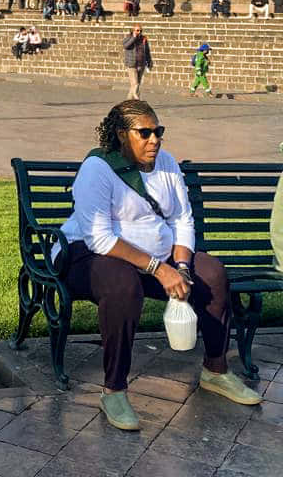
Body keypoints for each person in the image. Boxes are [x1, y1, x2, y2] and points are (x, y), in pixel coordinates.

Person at [55, 99, 261, 431]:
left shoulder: (165, 164)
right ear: (122, 135)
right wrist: (158, 269)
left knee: (211, 273)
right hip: (87, 256)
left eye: (158, 131)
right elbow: (100, 239)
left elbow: (182, 220)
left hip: (155, 257)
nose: (155, 140)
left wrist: (180, 267)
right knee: (122, 285)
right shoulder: (98, 168)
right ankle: (114, 390)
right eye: (145, 133)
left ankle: (216, 370)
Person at [122, 24, 152, 99]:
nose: (139, 32)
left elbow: (147, 51)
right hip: (132, 64)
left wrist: (149, 61)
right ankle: (137, 98)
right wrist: (134, 38)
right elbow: (126, 46)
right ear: (133, 31)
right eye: (137, 30)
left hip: (141, 64)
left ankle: (127, 102)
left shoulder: (144, 39)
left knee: (136, 85)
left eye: (140, 30)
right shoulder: (128, 38)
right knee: (135, 84)